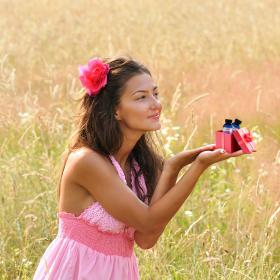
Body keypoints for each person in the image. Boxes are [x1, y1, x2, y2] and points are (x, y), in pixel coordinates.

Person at [33, 56, 244, 279]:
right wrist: (199, 166)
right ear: (115, 110)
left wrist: (172, 167)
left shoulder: (144, 165)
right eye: (141, 97)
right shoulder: (87, 161)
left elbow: (146, 238)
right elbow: (148, 221)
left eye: (155, 93)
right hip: (77, 271)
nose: (156, 104)